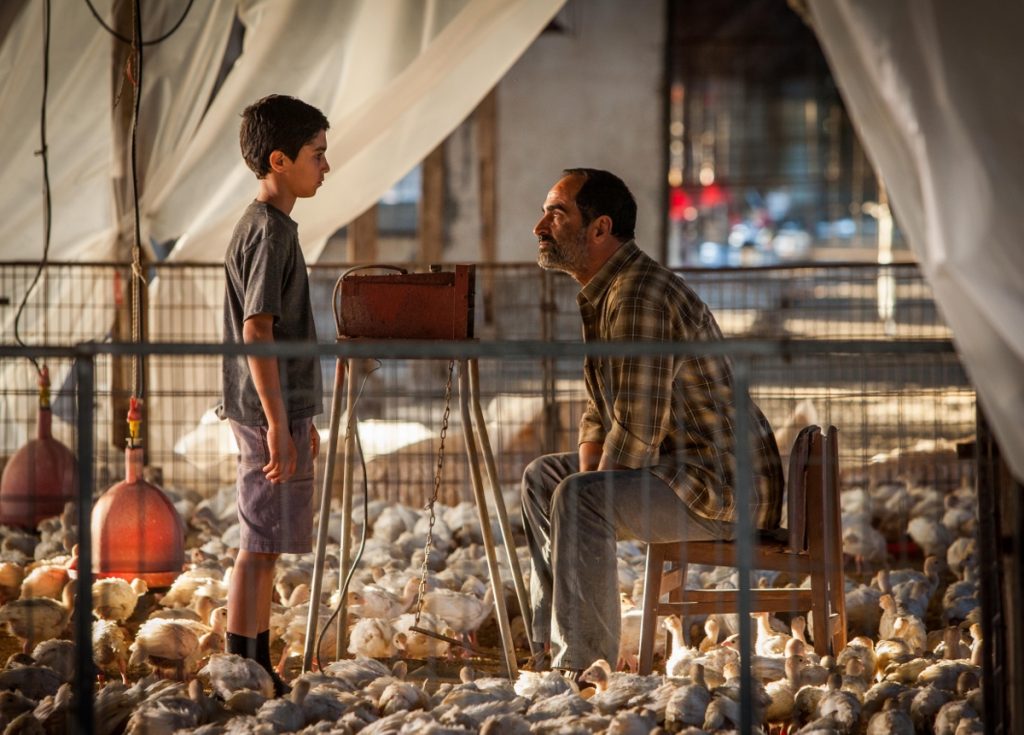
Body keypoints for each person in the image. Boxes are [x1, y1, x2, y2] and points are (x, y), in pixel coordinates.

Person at [521, 168, 784, 679]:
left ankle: (584, 670)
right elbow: (602, 412)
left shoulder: (639, 295)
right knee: (545, 480)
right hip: (680, 472)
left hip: (721, 487)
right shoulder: (608, 290)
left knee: (579, 497)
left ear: (599, 229)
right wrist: (585, 475)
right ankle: (549, 650)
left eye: (556, 213)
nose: (540, 226)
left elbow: (636, 430)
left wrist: (590, 491)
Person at [220, 94, 329, 695]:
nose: (325, 167)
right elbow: (257, 330)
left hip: (276, 408)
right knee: (258, 543)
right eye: (317, 155)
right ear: (279, 160)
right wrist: (277, 422)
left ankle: (256, 658)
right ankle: (245, 664)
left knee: (265, 543)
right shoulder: (267, 232)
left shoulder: (273, 227)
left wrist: (298, 415)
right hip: (265, 410)